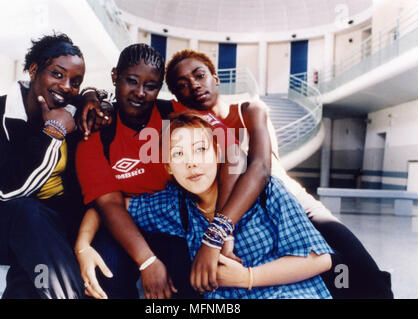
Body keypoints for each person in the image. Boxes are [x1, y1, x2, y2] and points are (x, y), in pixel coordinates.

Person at [164, 49, 394, 299]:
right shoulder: (195, 133)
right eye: (182, 84)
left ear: (215, 78)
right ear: (178, 95)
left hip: (291, 202)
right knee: (322, 281)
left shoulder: (251, 110)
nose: (194, 85)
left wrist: (216, 234)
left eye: (199, 75)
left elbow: (260, 169)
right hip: (247, 216)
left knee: (361, 270)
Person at [75, 43, 273, 299]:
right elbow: (109, 203)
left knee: (196, 283)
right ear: (115, 77)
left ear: (159, 88)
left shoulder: (174, 115)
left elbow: (233, 153)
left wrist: (219, 231)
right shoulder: (97, 133)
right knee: (106, 277)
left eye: (150, 86)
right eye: (131, 81)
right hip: (124, 223)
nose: (140, 93)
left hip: (175, 221)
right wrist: (147, 262)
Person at [127, 112, 333, 298]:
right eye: (178, 154)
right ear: (168, 166)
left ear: (217, 153)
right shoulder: (175, 206)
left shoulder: (265, 191)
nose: (191, 163)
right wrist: (145, 261)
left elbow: (320, 259)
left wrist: (247, 277)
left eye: (200, 149)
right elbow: (113, 205)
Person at [0, 33, 87, 298]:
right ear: (34, 70)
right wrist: (53, 133)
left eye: (76, 81)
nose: (67, 86)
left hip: (48, 234)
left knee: (35, 275)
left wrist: (95, 97)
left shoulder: (73, 109)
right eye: (57, 74)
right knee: (28, 213)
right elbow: (7, 189)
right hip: (0, 225)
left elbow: (105, 101)